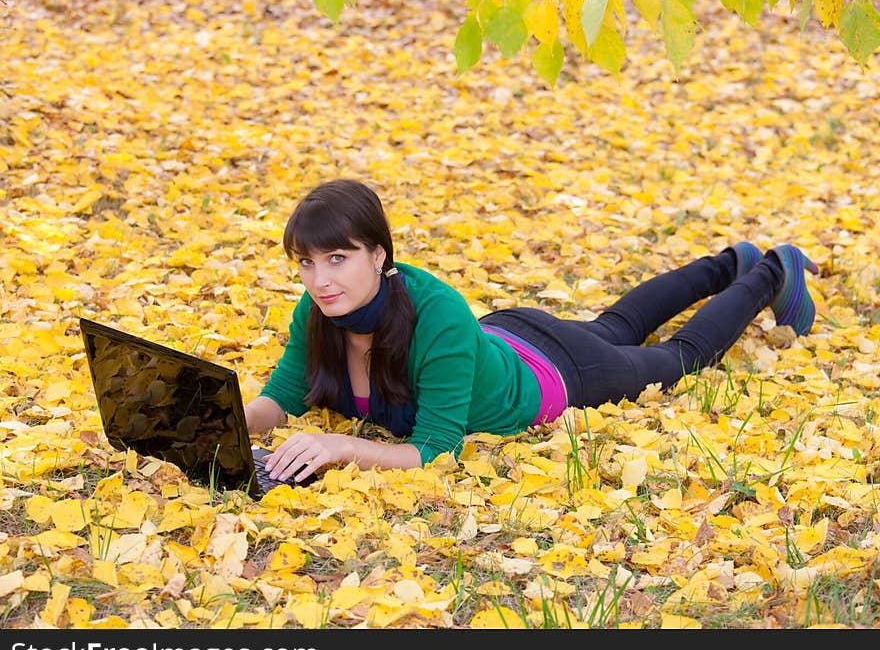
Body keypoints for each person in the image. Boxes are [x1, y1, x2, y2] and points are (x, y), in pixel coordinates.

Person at [244, 178, 819, 485]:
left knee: (680, 356)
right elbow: (283, 397)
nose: (319, 280)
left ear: (378, 254)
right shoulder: (320, 309)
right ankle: (728, 262)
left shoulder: (434, 313)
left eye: (337, 259)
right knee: (616, 324)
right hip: (505, 335)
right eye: (306, 262)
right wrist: (214, 421)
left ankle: (771, 268)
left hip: (563, 373)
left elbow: (434, 451)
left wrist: (342, 447)